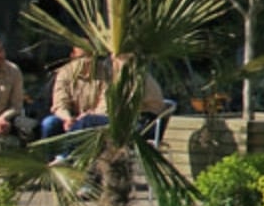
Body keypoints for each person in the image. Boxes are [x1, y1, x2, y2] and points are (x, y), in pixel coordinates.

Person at [38, 49, 168, 141]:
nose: (85, 62)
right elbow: (59, 103)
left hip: (142, 125)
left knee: (87, 123)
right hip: (77, 116)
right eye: (81, 57)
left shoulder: (131, 77)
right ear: (73, 56)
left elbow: (109, 104)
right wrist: (68, 118)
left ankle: (65, 159)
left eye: (89, 57)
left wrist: (86, 118)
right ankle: (48, 164)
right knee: (50, 124)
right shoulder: (66, 73)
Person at [0, 35, 31, 140]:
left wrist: (2, 119)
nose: (0, 55)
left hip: (7, 117)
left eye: (1, 50)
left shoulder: (14, 71)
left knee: (31, 127)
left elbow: (16, 105)